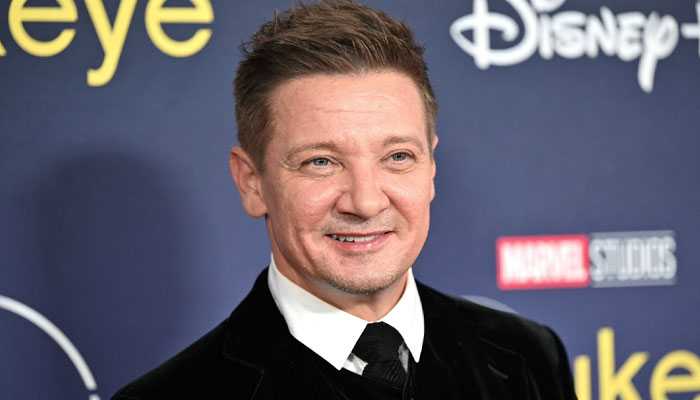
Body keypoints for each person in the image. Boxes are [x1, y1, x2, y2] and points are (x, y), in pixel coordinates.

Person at [113, 1, 577, 399]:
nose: (366, 202)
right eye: (321, 162)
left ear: (431, 167)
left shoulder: (528, 358)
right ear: (252, 183)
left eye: (397, 156)